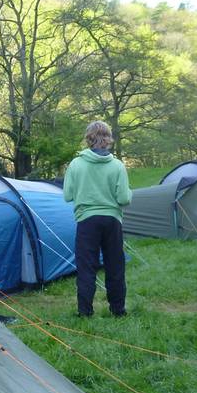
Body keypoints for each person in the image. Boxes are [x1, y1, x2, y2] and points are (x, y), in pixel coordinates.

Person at [62, 121, 132, 317]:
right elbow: (124, 199)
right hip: (112, 221)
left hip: (87, 221)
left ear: (88, 138)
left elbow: (67, 195)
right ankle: (118, 310)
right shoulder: (117, 166)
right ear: (108, 138)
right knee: (115, 266)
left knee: (86, 267)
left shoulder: (76, 164)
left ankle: (85, 312)